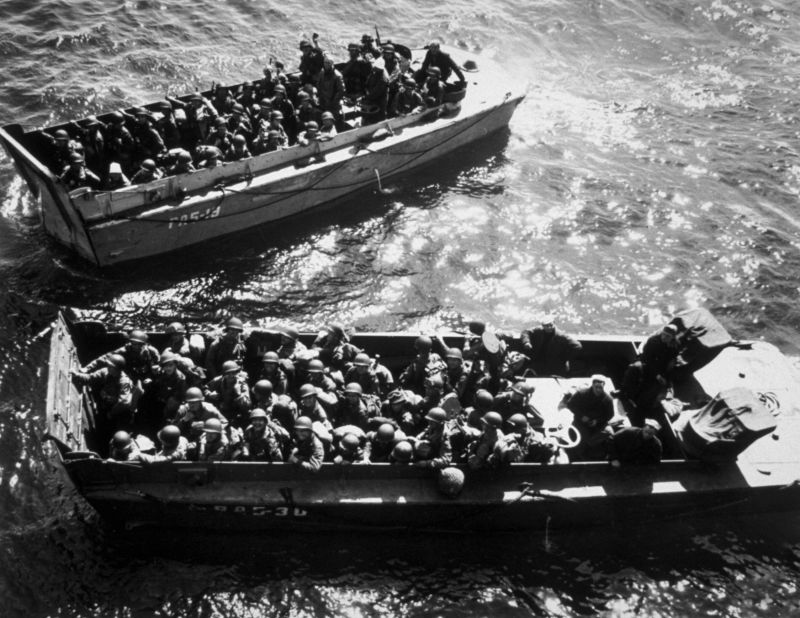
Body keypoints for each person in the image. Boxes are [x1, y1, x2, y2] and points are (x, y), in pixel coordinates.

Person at [71, 354, 137, 430]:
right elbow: (90, 378)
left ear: (118, 369)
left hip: (120, 413)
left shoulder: (124, 382)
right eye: (108, 365)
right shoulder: (105, 372)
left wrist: (111, 413)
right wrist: (77, 375)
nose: (108, 368)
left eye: (111, 367)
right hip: (107, 406)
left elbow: (124, 402)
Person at [80, 329, 159, 386]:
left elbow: (159, 366)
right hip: (128, 375)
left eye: (139, 344)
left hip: (146, 376)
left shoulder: (152, 352)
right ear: (130, 342)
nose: (136, 346)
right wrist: (88, 368)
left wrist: (151, 377)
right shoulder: (124, 350)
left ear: (144, 344)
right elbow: (105, 358)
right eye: (134, 344)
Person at [565, 375, 615, 460]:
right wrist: (581, 416)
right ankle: (580, 457)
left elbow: (610, 414)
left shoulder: (607, 399)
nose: (598, 390)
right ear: (592, 385)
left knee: (610, 435)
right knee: (581, 438)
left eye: (600, 387)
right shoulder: (581, 393)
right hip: (581, 422)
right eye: (596, 387)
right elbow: (570, 404)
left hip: (598, 424)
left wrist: (597, 421)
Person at [204, 360, 251, 425]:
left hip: (237, 414)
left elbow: (247, 406)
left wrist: (238, 394)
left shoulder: (242, 384)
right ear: (224, 374)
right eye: (228, 373)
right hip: (221, 412)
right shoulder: (218, 381)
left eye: (234, 373)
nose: (231, 375)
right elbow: (205, 389)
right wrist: (210, 394)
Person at [150, 350, 187, 421]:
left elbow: (182, 396)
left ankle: (167, 419)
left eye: (170, 365)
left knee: (171, 402)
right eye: (165, 366)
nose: (168, 368)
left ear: (175, 365)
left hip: (173, 401)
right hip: (161, 398)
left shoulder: (180, 378)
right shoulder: (161, 373)